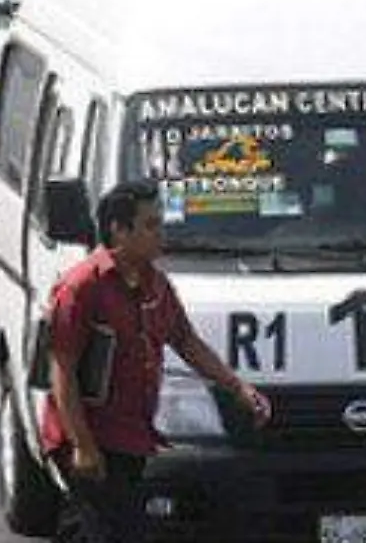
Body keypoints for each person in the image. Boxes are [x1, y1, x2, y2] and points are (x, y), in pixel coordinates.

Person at [41, 180, 272, 543]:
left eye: (160, 223)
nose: (160, 234)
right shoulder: (82, 287)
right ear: (119, 230)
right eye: (150, 225)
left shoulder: (156, 285)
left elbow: (186, 341)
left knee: (111, 528)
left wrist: (237, 387)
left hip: (131, 436)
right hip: (89, 435)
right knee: (108, 528)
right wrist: (83, 444)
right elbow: (62, 370)